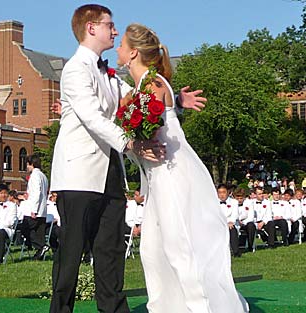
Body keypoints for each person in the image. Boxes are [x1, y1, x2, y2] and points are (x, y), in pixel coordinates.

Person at [49, 5, 206, 313]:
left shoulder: (108, 74)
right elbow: (92, 117)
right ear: (92, 28)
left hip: (109, 172)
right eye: (110, 25)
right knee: (71, 252)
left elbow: (140, 95)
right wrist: (131, 143)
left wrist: (176, 101)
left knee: (110, 250)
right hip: (78, 173)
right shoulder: (75, 69)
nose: (115, 31)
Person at [116, 22, 248, 312]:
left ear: (133, 53)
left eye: (122, 45)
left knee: (178, 246)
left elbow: (152, 129)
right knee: (153, 249)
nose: (118, 49)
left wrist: (134, 138)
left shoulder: (151, 85)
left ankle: (199, 306)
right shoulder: (145, 85)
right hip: (157, 176)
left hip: (171, 174)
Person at [21, 155, 49, 260]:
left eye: (28, 164)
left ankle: (41, 246)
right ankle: (39, 254)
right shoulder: (43, 176)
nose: (27, 167)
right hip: (42, 210)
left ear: (31, 164)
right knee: (39, 233)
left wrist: (34, 210)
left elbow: (37, 192)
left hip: (35, 209)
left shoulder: (35, 175)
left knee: (25, 229)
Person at [218, 184, 241, 258]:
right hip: (218, 224)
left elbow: (235, 215)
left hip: (230, 224)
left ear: (228, 192)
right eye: (219, 192)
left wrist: (230, 222)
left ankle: (236, 252)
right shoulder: (214, 202)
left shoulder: (234, 202)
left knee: (232, 229)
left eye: (223, 192)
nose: (221, 195)